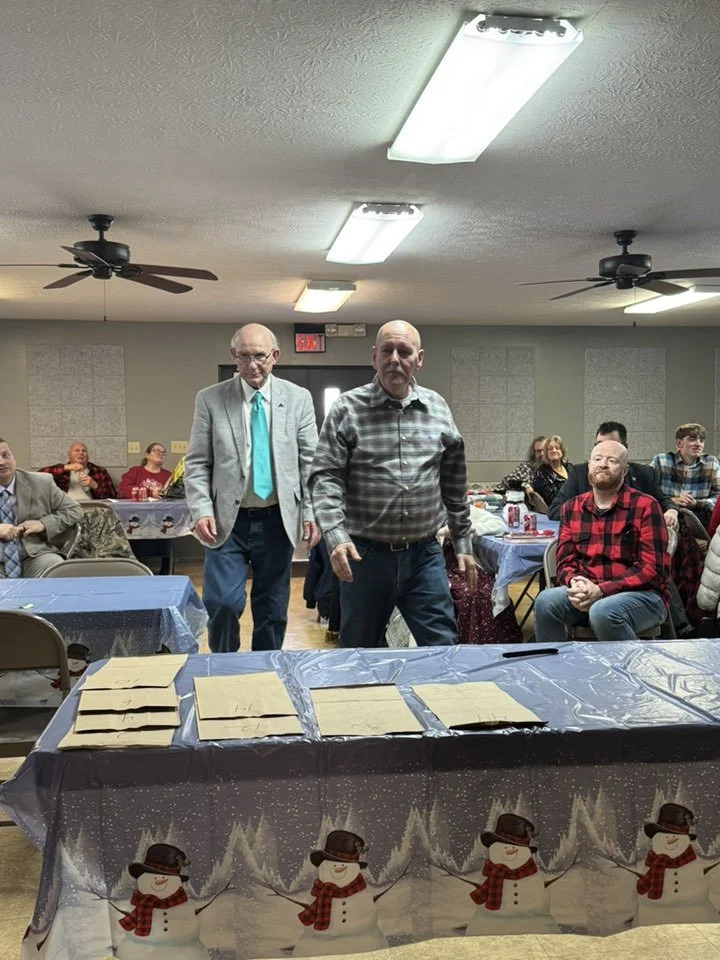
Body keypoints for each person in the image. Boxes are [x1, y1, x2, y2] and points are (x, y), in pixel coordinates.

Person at [308, 320, 476, 648]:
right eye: (387, 351)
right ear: (374, 357)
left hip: (424, 555)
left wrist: (463, 541)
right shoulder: (347, 408)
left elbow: (454, 483)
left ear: (419, 358)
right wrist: (335, 535)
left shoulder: (437, 408)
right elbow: (325, 477)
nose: (394, 359)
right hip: (365, 556)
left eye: (404, 351)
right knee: (360, 653)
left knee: (442, 647)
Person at [185, 323, 319, 652]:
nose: (253, 365)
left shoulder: (298, 399)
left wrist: (312, 512)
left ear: (274, 357)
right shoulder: (210, 400)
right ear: (234, 357)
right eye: (244, 357)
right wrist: (201, 508)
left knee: (272, 611)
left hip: (277, 520)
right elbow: (197, 462)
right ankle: (223, 668)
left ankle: (266, 671)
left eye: (259, 356)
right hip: (226, 522)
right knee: (222, 604)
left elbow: (311, 463)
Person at [534, 440, 669, 643]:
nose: (603, 464)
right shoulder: (572, 508)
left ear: (624, 471)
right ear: (589, 466)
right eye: (597, 459)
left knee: (602, 611)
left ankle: (625, 673)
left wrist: (602, 590)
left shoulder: (646, 506)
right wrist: (576, 583)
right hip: (587, 592)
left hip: (642, 596)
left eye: (612, 460)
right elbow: (564, 561)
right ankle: (557, 671)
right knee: (545, 601)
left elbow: (652, 569)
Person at [549, 422, 678, 528]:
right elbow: (555, 510)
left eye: (611, 446)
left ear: (625, 448)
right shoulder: (579, 473)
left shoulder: (645, 474)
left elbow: (663, 501)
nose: (603, 462)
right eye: (599, 445)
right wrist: (597, 517)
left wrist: (672, 510)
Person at [0, 438, 82, 578]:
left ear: (14, 457)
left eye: (5, 455)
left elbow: (75, 511)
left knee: (56, 568)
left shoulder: (41, 482)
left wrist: (43, 523)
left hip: (33, 555)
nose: (1, 462)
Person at [651, 423, 720, 529]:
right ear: (679, 443)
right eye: (692, 439)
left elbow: (718, 497)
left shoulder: (711, 462)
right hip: (666, 517)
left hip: (699, 521)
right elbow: (647, 492)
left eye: (701, 440)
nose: (698, 444)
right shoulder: (661, 460)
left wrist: (697, 504)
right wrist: (672, 501)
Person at [119, 444, 174, 575]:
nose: (160, 453)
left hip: (160, 518)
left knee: (166, 526)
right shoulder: (135, 472)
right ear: (147, 455)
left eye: (163, 451)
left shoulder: (168, 475)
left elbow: (174, 494)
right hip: (136, 517)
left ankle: (166, 566)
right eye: (156, 450)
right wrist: (149, 492)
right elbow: (123, 490)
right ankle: (137, 566)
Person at [41, 441, 116, 500]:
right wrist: (66, 467)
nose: (80, 453)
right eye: (76, 450)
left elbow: (112, 497)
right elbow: (40, 475)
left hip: (92, 507)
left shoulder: (99, 471)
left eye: (84, 451)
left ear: (88, 455)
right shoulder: (62, 469)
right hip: (66, 507)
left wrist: (94, 485)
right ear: (69, 455)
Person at [530, 436, 570, 509]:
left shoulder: (570, 467)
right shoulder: (541, 473)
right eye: (550, 449)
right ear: (546, 453)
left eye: (557, 448)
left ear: (562, 451)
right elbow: (554, 500)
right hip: (557, 513)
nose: (554, 450)